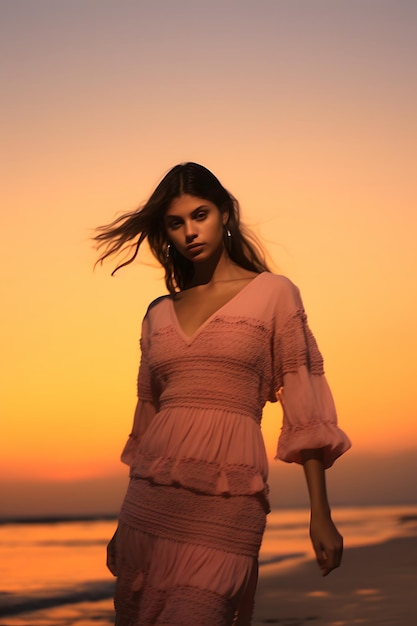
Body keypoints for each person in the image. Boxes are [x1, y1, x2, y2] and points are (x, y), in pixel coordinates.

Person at [94, 162, 351, 626]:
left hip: (228, 502)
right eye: (176, 223)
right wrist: (120, 525)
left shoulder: (274, 293)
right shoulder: (157, 313)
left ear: (225, 214)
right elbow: (148, 420)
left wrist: (321, 514)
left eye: (201, 214)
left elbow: (304, 401)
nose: (190, 231)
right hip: (148, 510)